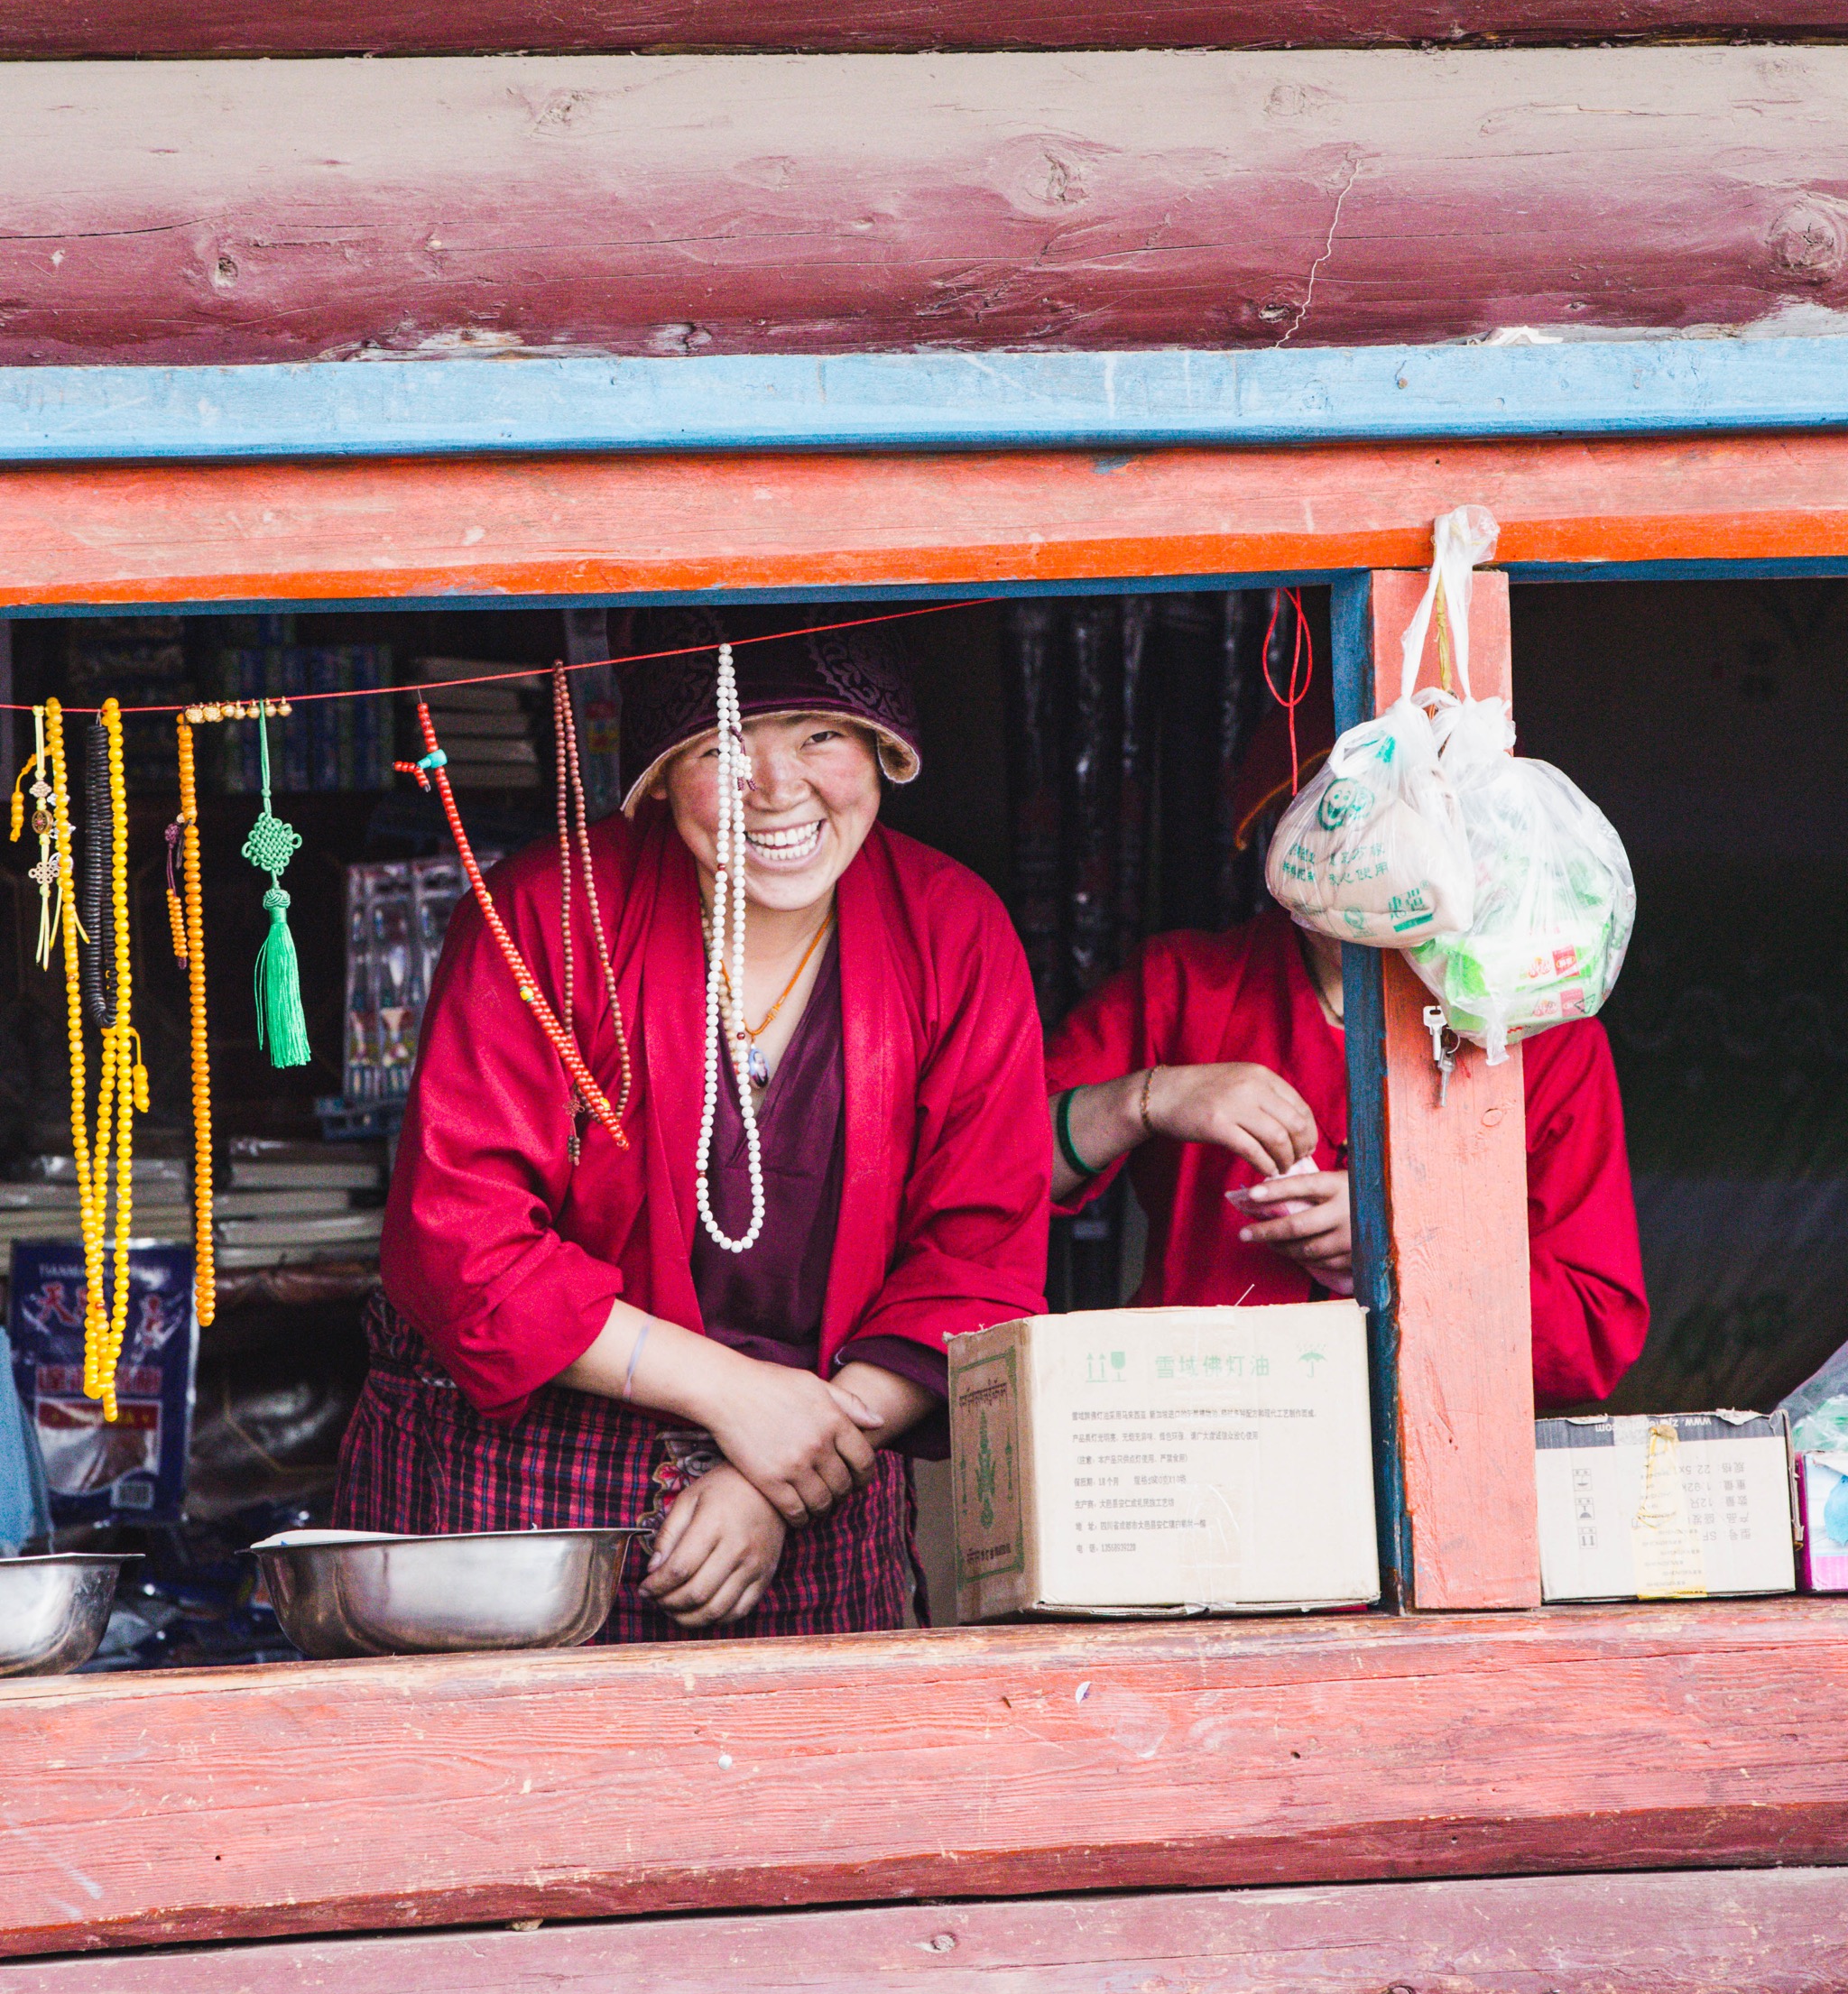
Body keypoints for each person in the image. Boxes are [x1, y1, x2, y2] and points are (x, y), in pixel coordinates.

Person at [336, 618, 1049, 1634]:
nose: (778, 787)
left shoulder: (952, 932)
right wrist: (735, 1397)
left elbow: (977, 1260)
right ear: (659, 777)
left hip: (817, 1484)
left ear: (886, 750)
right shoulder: (549, 912)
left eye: (821, 735)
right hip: (523, 1491)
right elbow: (463, 1240)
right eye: (722, 746)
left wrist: (777, 1470)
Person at [1045, 688, 1648, 1408]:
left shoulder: (1539, 1034)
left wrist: (1402, 1247)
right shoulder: (1184, 985)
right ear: (1284, 831)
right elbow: (991, 1177)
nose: (1357, 861)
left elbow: (1593, 1333)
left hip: (1433, 1448)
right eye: (1334, 822)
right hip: (1199, 1428)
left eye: (1400, 831)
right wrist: (1148, 1098)